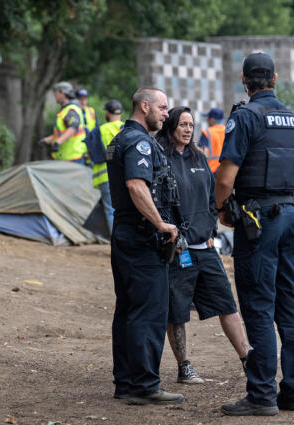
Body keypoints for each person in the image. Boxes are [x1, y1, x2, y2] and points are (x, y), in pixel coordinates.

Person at [215, 52, 294, 416]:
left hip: (259, 222)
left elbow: (225, 178)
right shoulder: (293, 119)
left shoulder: (245, 117)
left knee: (257, 307)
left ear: (245, 80)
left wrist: (223, 209)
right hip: (291, 216)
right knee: (289, 306)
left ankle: (261, 396)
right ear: (274, 78)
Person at [155, 106, 249, 385]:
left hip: (205, 247)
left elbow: (211, 197)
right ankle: (185, 366)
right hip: (178, 250)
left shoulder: (199, 157)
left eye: (191, 125)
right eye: (182, 124)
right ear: (171, 126)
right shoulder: (160, 157)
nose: (187, 129)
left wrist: (211, 229)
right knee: (178, 311)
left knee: (227, 304)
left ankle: (248, 359)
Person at [107, 87, 184, 405]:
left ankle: (125, 383)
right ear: (144, 106)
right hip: (141, 237)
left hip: (124, 233)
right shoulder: (138, 141)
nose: (167, 114)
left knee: (126, 310)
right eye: (163, 108)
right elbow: (136, 185)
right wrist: (160, 224)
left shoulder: (119, 138)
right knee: (149, 310)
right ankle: (145, 385)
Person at [90, 100, 124, 234]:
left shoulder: (102, 130)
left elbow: (92, 154)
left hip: (106, 177)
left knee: (111, 210)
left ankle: (116, 245)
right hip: (126, 176)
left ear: (107, 113)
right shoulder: (127, 127)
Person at [42, 82, 87, 163]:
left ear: (62, 93)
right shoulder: (65, 109)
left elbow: (72, 128)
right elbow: (62, 133)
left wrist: (57, 143)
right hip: (66, 158)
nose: (55, 95)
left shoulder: (70, 110)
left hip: (73, 158)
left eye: (56, 92)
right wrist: (47, 140)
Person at [198, 107, 226, 174]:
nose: (207, 120)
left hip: (211, 170)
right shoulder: (228, 131)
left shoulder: (207, 132)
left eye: (208, 118)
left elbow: (203, 153)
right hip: (225, 170)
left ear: (212, 119)